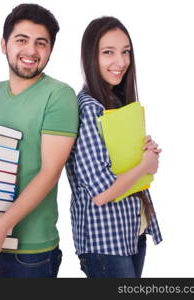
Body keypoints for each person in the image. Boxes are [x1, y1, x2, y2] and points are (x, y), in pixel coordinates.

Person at [0, 4, 78, 277]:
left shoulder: (59, 95)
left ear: (50, 50)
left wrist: (1, 226)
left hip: (30, 252)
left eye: (41, 43)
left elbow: (50, 171)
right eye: (21, 40)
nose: (31, 51)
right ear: (4, 44)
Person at [65, 16, 163, 278]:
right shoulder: (88, 109)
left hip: (131, 230)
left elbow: (125, 165)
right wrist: (145, 165)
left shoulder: (117, 102)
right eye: (108, 52)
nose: (120, 62)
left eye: (125, 52)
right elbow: (102, 193)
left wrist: (146, 153)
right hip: (105, 243)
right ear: (90, 57)